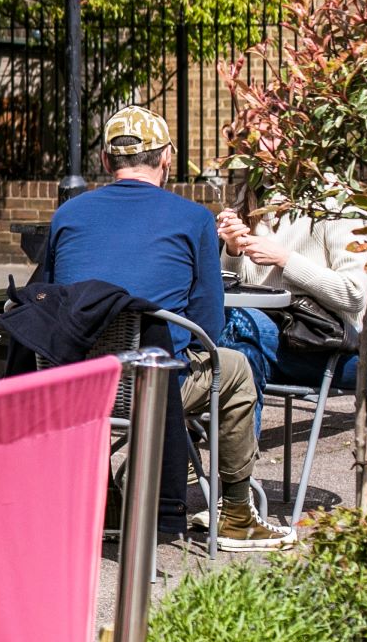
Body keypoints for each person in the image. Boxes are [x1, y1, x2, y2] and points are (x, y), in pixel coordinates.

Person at [42, 105, 294, 550]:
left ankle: (112, 495)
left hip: (76, 384)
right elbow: (208, 327)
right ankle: (235, 513)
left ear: (105, 161)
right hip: (153, 387)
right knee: (234, 367)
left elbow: (47, 299)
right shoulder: (193, 219)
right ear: (167, 160)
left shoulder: (68, 215)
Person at [217, 199, 367, 409]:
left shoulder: (337, 207)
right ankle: (237, 442)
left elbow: (354, 294)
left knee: (231, 323)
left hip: (334, 350)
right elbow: (237, 287)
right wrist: (233, 250)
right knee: (241, 357)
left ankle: (183, 426)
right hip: (268, 342)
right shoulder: (254, 201)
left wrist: (285, 259)